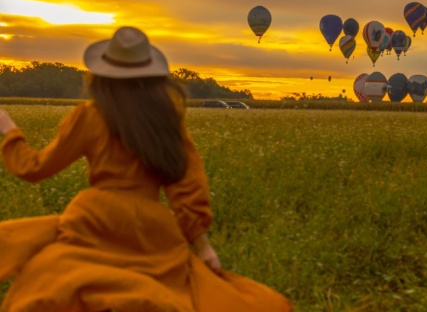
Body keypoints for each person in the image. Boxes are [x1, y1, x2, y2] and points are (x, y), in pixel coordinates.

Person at [0, 26, 292, 312]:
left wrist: (10, 131)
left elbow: (33, 168)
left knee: (54, 282)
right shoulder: (166, 121)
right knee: (163, 292)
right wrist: (203, 247)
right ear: (153, 77)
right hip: (151, 227)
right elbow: (188, 192)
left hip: (95, 220)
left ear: (101, 74)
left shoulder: (90, 116)